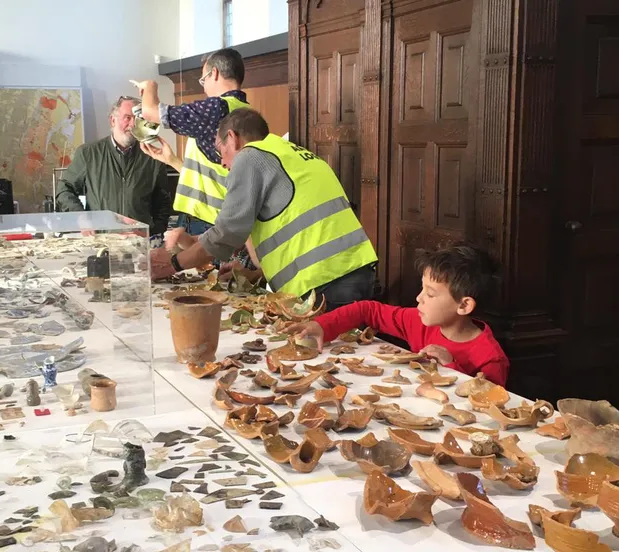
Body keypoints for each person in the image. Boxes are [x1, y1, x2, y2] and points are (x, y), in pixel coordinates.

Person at [148, 108, 378, 311]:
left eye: (220, 151)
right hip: (357, 270)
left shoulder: (250, 157)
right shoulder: (294, 153)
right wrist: (255, 275)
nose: (222, 162)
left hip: (325, 283)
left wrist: (173, 264)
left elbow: (227, 233)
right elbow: (294, 230)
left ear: (232, 138)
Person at [287, 244, 509, 386]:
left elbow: (490, 405)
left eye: (430, 294)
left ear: (464, 305)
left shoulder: (490, 358)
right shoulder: (419, 321)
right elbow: (368, 310)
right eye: (422, 289)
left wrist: (451, 367)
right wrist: (322, 325)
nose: (418, 298)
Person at [136, 48, 250, 232]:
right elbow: (215, 174)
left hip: (206, 221)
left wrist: (150, 86)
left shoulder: (216, 108)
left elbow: (150, 112)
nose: (203, 87)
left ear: (214, 73)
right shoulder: (246, 112)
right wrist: (171, 160)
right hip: (225, 219)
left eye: (203, 80)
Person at [55, 96, 173, 237]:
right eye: (127, 118)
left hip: (139, 244)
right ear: (112, 120)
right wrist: (81, 217)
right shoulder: (88, 154)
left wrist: (153, 233)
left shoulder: (153, 156)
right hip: (100, 242)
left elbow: (163, 203)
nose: (133, 124)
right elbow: (64, 190)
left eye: (138, 118)